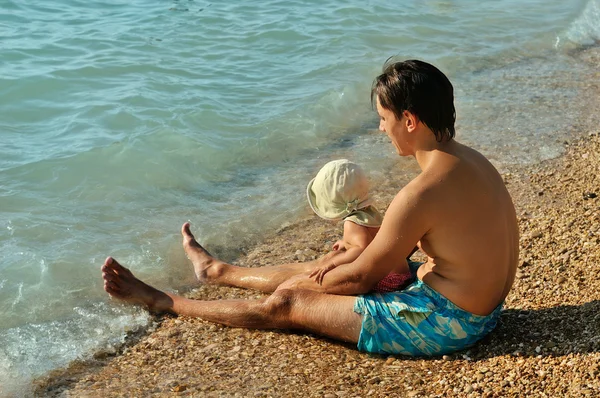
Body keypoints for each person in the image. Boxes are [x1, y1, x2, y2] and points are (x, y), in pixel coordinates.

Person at [102, 59, 519, 356]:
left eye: (383, 117)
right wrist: (330, 269)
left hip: (449, 325)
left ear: (409, 120)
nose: (380, 128)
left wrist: (302, 288)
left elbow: (358, 280)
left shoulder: (421, 191)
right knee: (330, 267)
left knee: (289, 302)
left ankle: (164, 301)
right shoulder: (473, 161)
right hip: (482, 307)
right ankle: (218, 271)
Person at [306, 158, 412, 292]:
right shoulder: (370, 212)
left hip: (389, 280)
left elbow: (361, 249)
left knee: (333, 277)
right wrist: (346, 242)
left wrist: (333, 263)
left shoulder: (351, 223)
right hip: (403, 273)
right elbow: (371, 237)